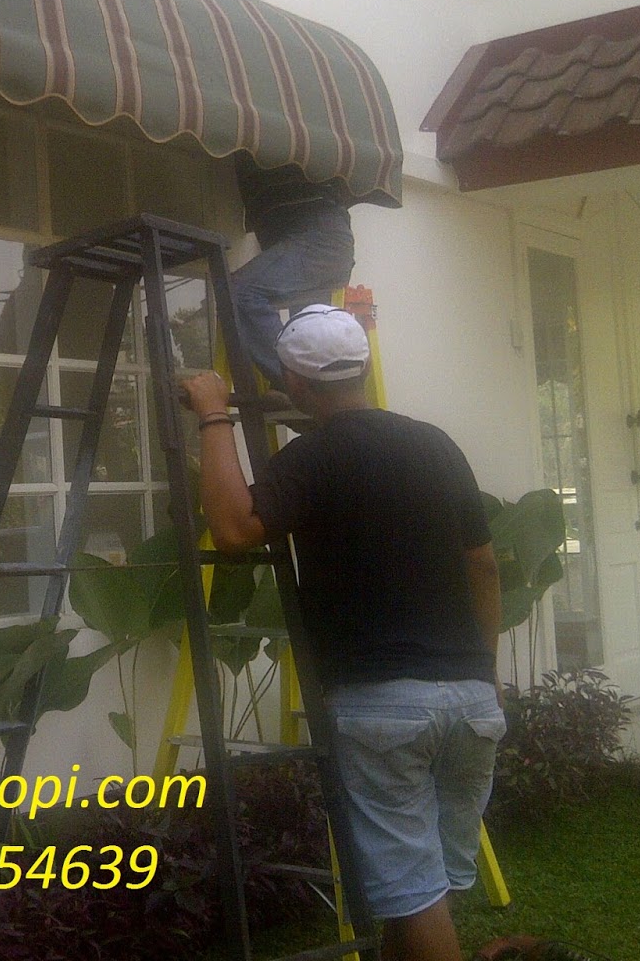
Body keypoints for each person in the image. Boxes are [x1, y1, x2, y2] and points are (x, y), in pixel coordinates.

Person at [181, 306, 504, 961]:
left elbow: (234, 529)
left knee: (412, 892)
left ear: (296, 384)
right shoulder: (438, 445)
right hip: (472, 702)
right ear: (360, 366)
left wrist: (214, 413)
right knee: (424, 888)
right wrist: (484, 671)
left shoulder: (315, 456)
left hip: (383, 706)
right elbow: (484, 566)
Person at [229, 155, 356, 390]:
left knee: (241, 290)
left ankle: (296, 385)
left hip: (318, 236)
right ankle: (310, 389)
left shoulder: (293, 138)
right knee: (308, 340)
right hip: (307, 238)